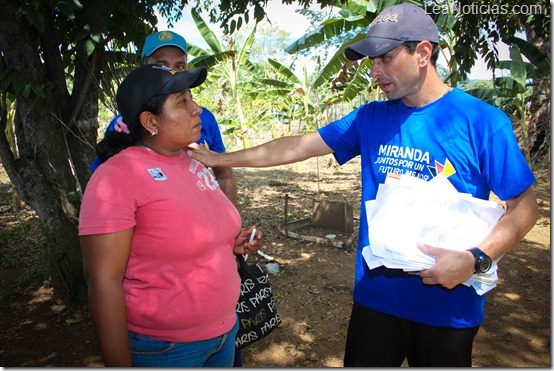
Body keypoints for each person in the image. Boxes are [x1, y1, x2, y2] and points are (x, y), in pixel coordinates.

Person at [188, 3, 539, 367]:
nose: (375, 72)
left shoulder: (482, 122)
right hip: (376, 301)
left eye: (385, 58)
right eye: (372, 61)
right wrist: (219, 159)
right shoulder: (370, 118)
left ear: (422, 52)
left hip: (449, 307)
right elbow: (297, 146)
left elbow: (525, 207)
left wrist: (474, 259)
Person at [79, 64, 262, 367]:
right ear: (150, 121)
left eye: (192, 98)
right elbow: (102, 282)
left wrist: (230, 243)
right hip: (166, 349)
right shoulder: (117, 177)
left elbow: (181, 235)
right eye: (182, 102)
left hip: (224, 333)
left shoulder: (192, 159)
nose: (197, 108)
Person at [90, 30, 238, 205]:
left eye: (179, 66)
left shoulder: (203, 118)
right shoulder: (123, 124)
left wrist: (230, 217)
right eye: (162, 64)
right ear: (149, 122)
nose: (172, 72)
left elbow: (223, 170)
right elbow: (104, 185)